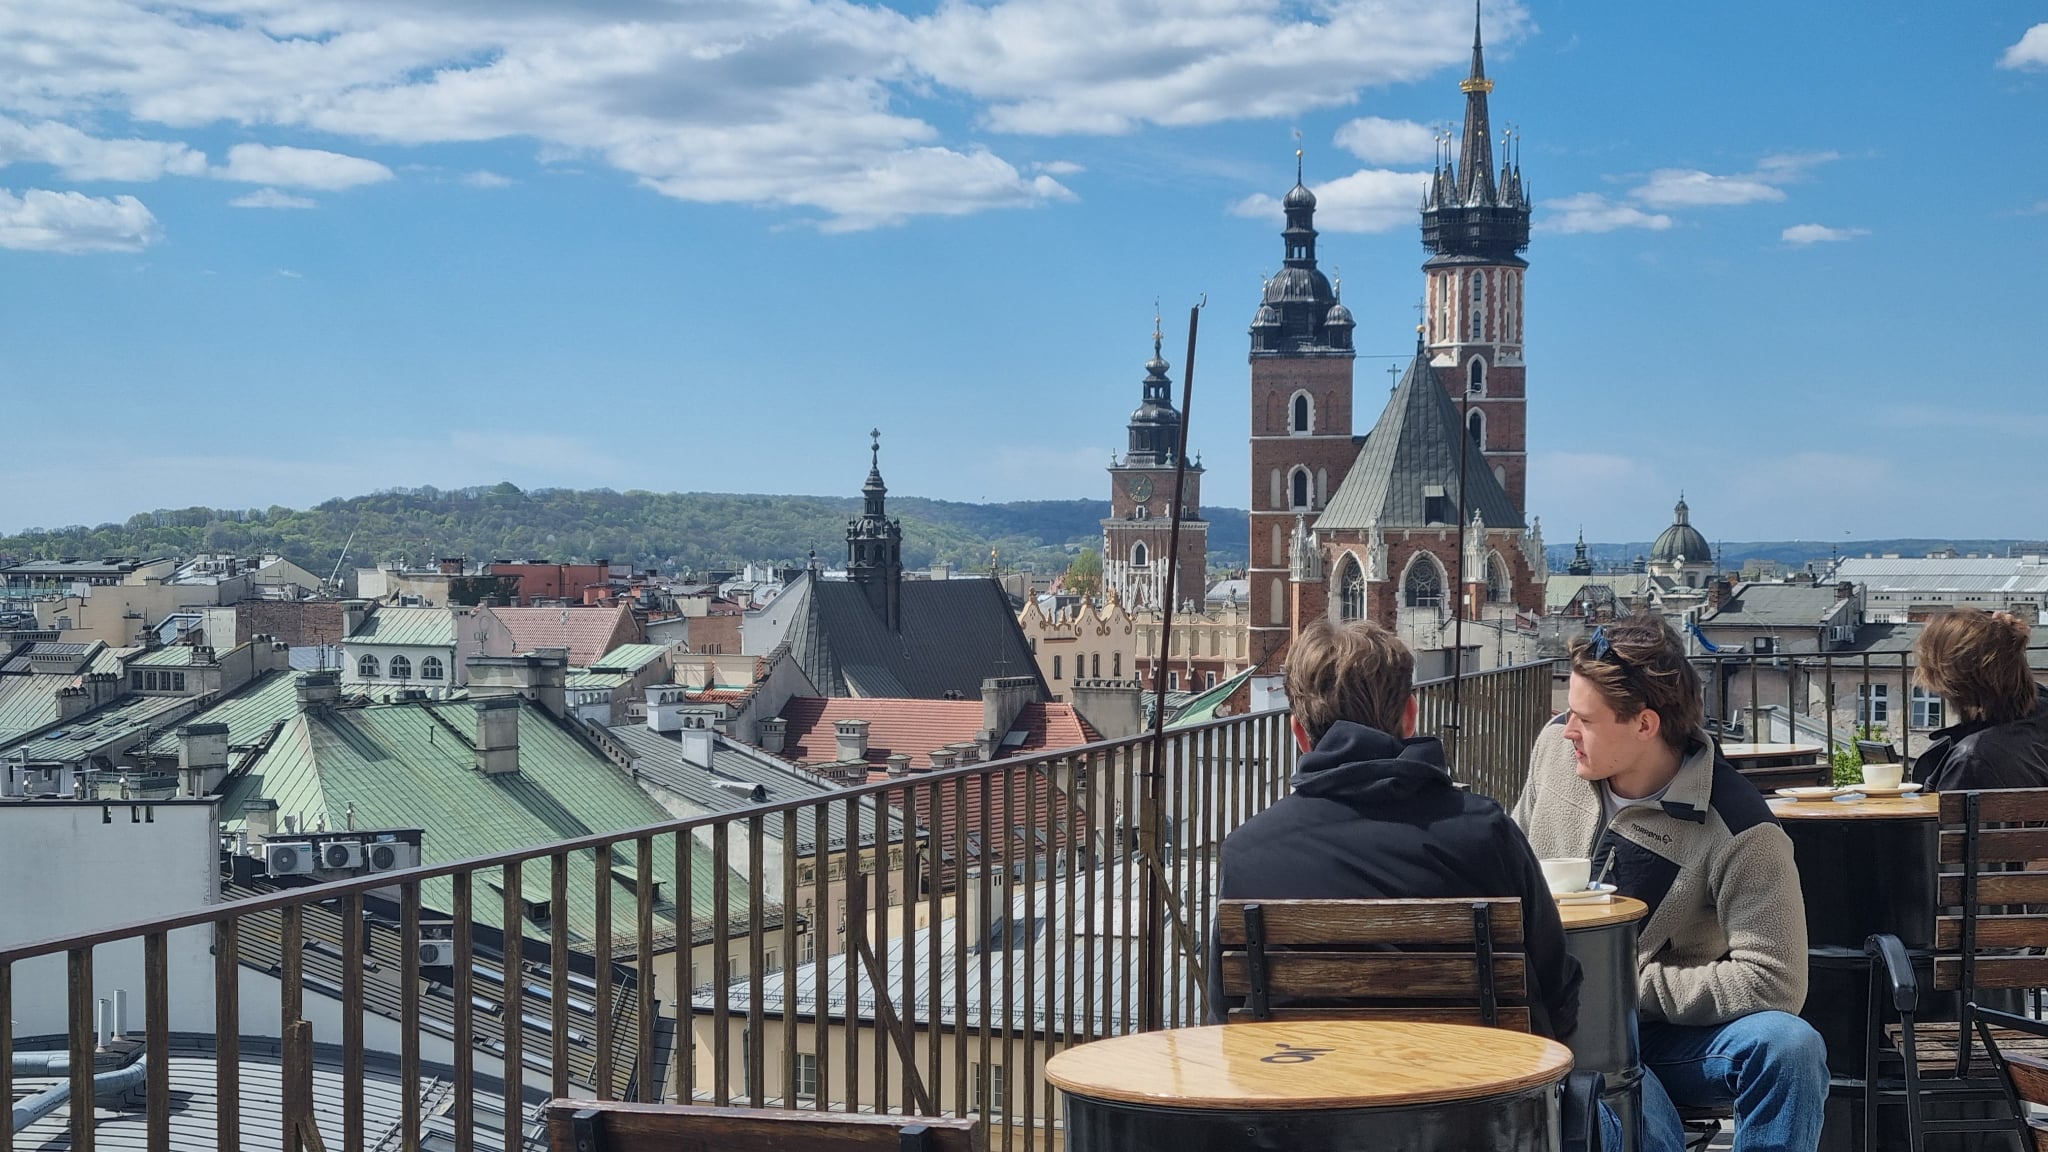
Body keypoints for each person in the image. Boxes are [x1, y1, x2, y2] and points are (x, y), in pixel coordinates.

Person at [1513, 614, 1827, 1152]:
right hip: (1542, 1018)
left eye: (1584, 719)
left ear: (1644, 724)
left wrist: (1624, 989)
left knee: (1791, 1047)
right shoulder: (1554, 753)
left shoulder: (1739, 826)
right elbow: (1510, 869)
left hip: (1656, 1031)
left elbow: (1775, 982)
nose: (1567, 729)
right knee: (1632, 1118)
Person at [1209, 617, 1583, 1041]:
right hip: (1476, 1099)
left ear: (1299, 733)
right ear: (1410, 714)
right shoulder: (1486, 832)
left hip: (1304, 1100)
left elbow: (1227, 1016)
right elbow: (1558, 990)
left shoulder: (1247, 854)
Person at [1910, 609, 2048, 792]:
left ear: (1951, 676)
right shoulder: (2039, 716)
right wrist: (2004, 642)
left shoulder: (1972, 758)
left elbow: (1944, 821)